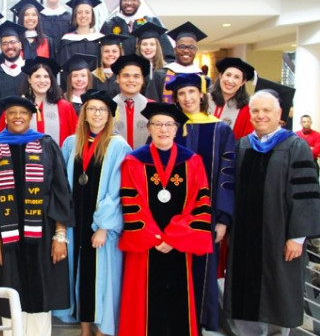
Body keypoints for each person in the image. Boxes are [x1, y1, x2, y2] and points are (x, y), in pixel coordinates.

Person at [0, 96, 74, 336]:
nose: (17, 117)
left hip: (43, 235)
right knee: (9, 293)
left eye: (23, 113)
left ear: (31, 116)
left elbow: (60, 191)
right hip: (5, 236)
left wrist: (60, 236)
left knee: (40, 296)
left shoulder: (46, 144)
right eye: (12, 112)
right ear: (5, 116)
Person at [224, 90, 320, 335]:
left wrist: (297, 237)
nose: (261, 115)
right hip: (245, 238)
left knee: (279, 291)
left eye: (267, 111)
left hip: (280, 236)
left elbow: (305, 193)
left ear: (279, 115)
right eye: (256, 111)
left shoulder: (295, 146)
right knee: (244, 290)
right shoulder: (243, 145)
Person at [118, 102, 213, 336]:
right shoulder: (134, 161)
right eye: (157, 124)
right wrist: (155, 236)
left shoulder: (192, 161)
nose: (163, 129)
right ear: (149, 129)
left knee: (178, 296)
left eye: (168, 124)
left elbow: (199, 202)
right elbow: (132, 202)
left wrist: (172, 237)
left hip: (179, 243)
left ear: (177, 129)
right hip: (146, 244)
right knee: (144, 299)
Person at [55, 90, 131, 336]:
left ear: (109, 115)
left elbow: (119, 188)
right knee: (80, 273)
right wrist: (63, 225)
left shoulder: (118, 145)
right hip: (76, 220)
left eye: (102, 110)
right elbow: (62, 185)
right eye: (91, 109)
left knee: (102, 277)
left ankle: (102, 329)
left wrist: (104, 226)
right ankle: (85, 328)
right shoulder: (71, 143)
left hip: (101, 226)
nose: (96, 114)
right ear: (84, 113)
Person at [166, 73, 236, 332]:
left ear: (201, 95)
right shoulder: (168, 127)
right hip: (172, 214)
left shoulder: (220, 129)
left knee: (203, 269)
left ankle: (200, 320)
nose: (186, 98)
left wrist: (223, 219)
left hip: (208, 216)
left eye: (191, 93)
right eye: (181, 94)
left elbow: (227, 176)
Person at [0, 57, 78, 147]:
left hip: (57, 160)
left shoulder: (64, 107)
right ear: (29, 79)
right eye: (37, 76)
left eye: (46, 76)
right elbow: (0, 139)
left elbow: (75, 140)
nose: (42, 81)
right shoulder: (15, 107)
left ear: (51, 80)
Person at [146, 21, 207, 103]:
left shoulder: (203, 78)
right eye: (182, 46)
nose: (186, 50)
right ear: (175, 49)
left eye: (191, 47)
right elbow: (152, 104)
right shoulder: (160, 75)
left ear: (196, 50)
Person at [0, 21, 27, 135]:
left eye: (13, 42)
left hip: (29, 130)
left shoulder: (30, 72)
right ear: (1, 47)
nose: (9, 47)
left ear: (20, 44)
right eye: (5, 43)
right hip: (3, 132)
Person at [100, 0, 174, 62]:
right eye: (125, 0)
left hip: (148, 72)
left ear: (139, 2)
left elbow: (168, 54)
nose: (129, 3)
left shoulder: (150, 22)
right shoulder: (109, 25)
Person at [110, 53, 152, 148]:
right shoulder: (107, 107)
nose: (131, 80)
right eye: (126, 76)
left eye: (136, 76)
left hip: (143, 160)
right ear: (118, 79)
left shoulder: (152, 107)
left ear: (142, 80)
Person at [208, 57, 255, 138]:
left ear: (243, 82)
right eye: (228, 75)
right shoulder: (205, 100)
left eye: (236, 77)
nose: (230, 81)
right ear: (220, 76)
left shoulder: (247, 109)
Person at [57, 0, 104, 69]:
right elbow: (64, 67)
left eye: (87, 12)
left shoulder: (100, 39)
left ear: (92, 16)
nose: (83, 15)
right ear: (75, 16)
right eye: (79, 12)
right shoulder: (67, 40)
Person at [92, 34, 126, 98]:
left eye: (114, 51)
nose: (110, 54)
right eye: (106, 51)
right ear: (101, 54)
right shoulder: (93, 76)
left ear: (120, 54)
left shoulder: (126, 75)